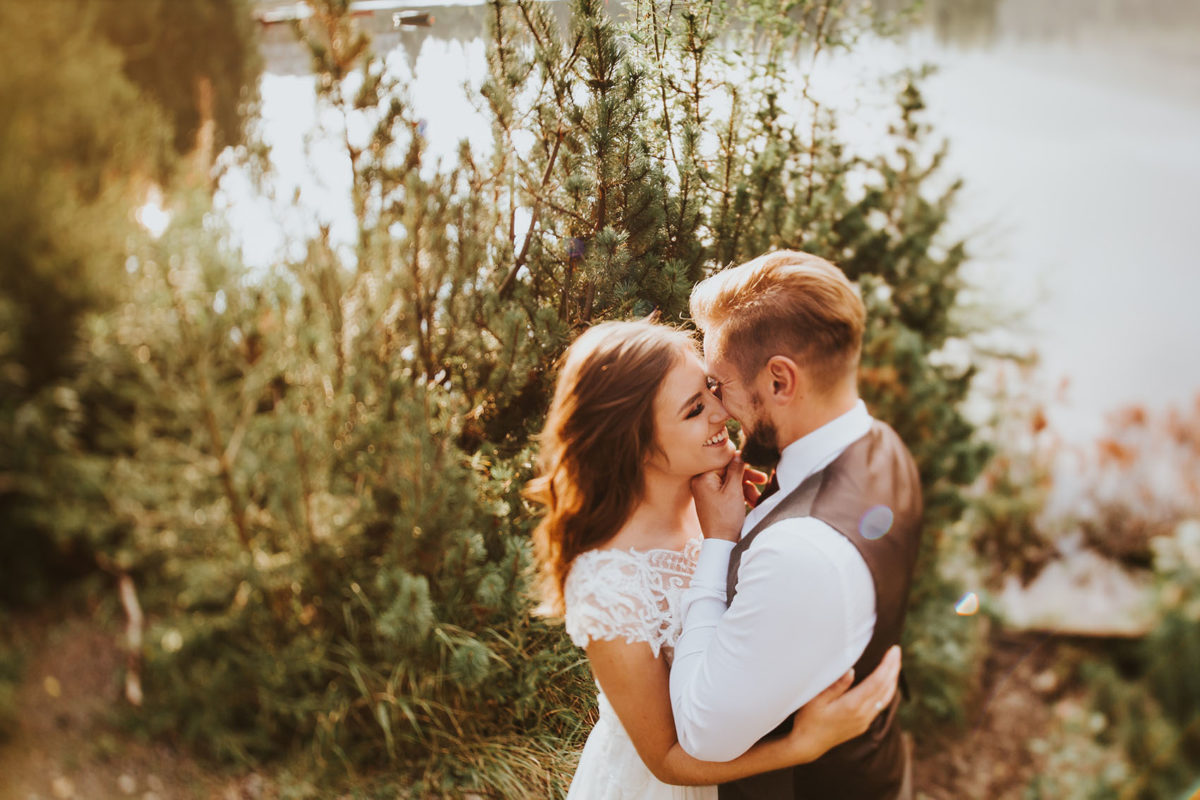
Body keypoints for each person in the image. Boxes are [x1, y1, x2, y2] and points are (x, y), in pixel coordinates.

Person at [526, 319, 903, 800]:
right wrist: (803, 745)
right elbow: (665, 759)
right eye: (693, 410)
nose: (721, 412)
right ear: (635, 443)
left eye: (709, 390)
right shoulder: (607, 583)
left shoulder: (719, 496)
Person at [668, 251, 924, 799]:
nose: (718, 405)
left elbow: (698, 733)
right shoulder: (881, 444)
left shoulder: (801, 551)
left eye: (719, 384)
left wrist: (719, 544)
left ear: (780, 380)